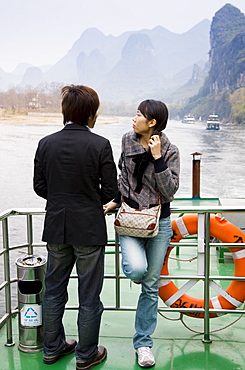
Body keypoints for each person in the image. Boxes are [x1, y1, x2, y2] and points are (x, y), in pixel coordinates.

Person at [33, 85, 118, 370]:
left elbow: (39, 186)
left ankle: (52, 348)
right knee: (89, 295)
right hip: (90, 230)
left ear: (65, 111)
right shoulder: (100, 144)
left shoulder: (46, 143)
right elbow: (110, 192)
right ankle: (86, 354)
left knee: (54, 290)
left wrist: (61, 199)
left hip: (56, 225)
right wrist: (87, 198)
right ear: (90, 114)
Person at [104, 99, 180, 368]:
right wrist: (115, 200)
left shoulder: (170, 150)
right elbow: (122, 175)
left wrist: (157, 158)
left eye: (138, 115)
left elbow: (170, 191)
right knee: (137, 270)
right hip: (129, 219)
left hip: (159, 222)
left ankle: (143, 344)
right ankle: (140, 272)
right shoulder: (126, 140)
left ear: (152, 123)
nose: (133, 118)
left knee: (150, 287)